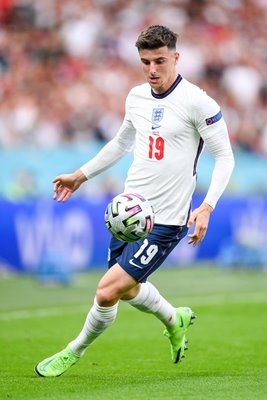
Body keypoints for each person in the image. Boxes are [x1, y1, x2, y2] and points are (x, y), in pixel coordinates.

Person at [34, 25, 234, 377]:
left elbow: (226, 156)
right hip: (130, 213)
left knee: (108, 290)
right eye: (145, 62)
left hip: (166, 221)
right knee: (127, 290)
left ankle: (72, 352)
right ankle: (175, 319)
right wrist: (80, 175)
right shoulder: (136, 97)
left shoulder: (198, 102)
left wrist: (207, 206)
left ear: (175, 57)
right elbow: (121, 143)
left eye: (160, 61)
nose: (153, 69)